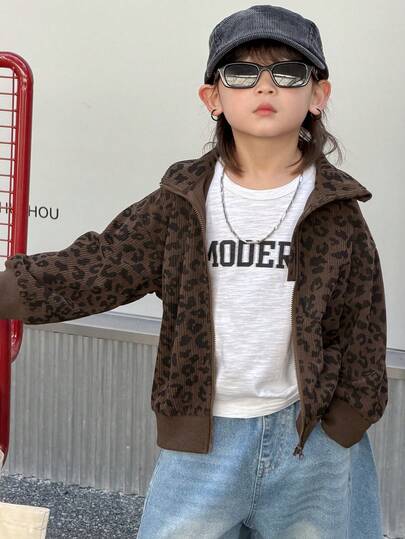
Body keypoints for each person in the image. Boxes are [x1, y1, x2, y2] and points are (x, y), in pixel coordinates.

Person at [0, 5, 387, 539]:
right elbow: (99, 266)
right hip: (204, 441)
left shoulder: (336, 209)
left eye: (288, 72)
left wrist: (347, 423)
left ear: (318, 94)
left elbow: (364, 322)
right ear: (213, 98)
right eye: (242, 73)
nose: (265, 86)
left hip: (309, 439)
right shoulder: (181, 202)